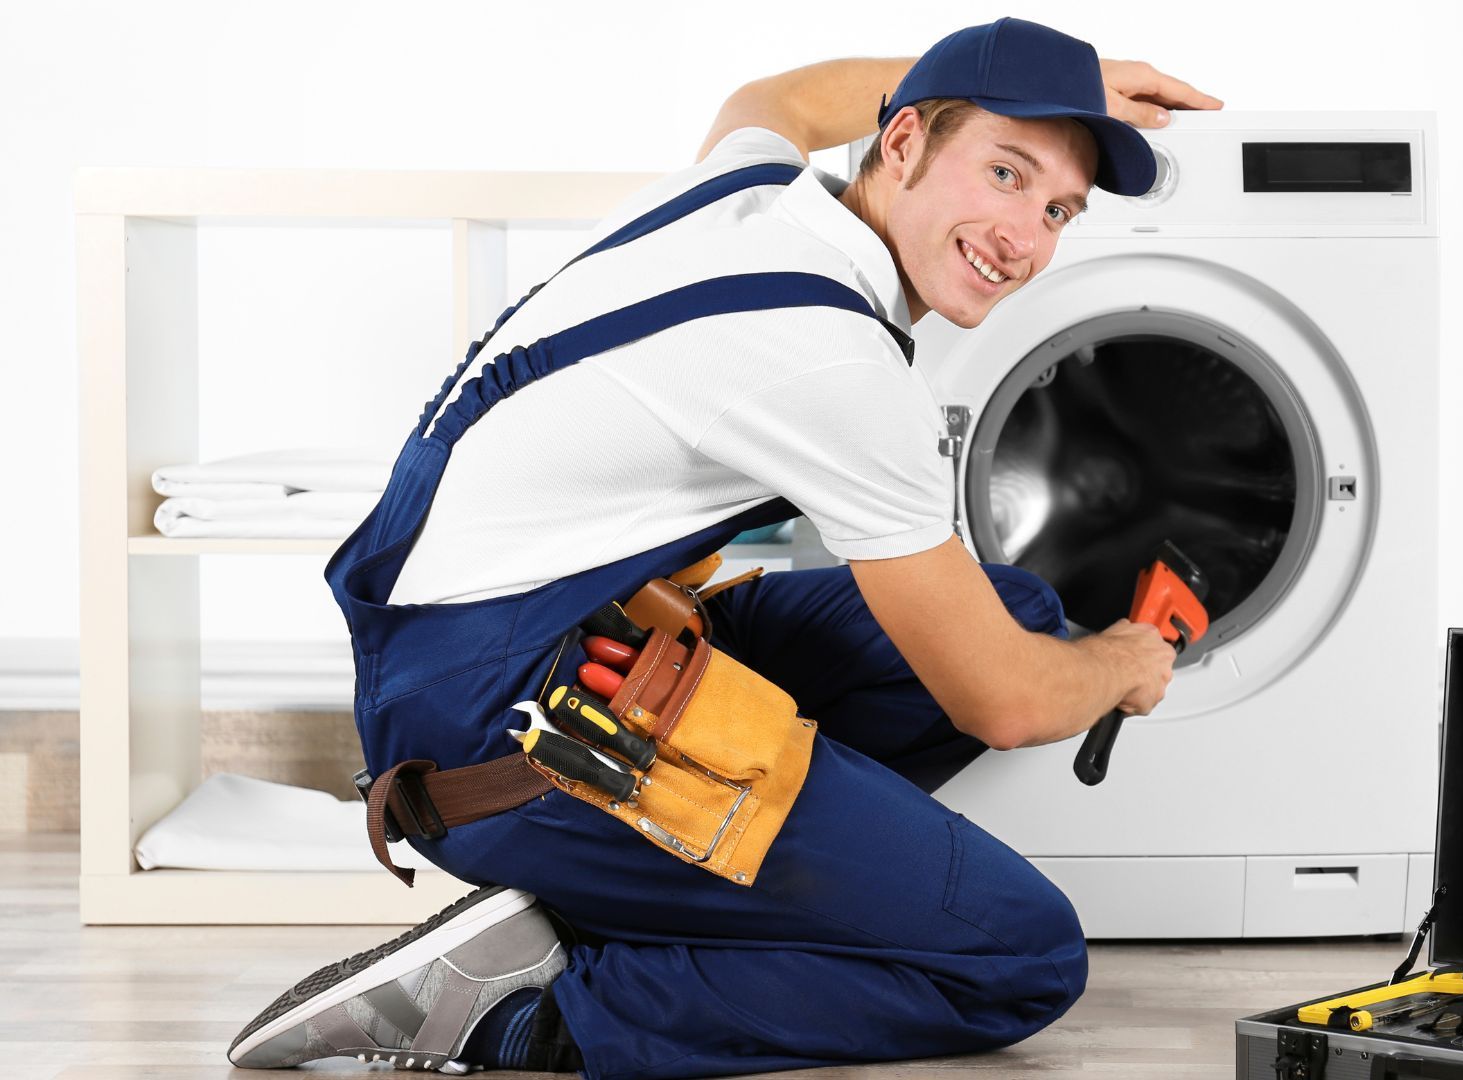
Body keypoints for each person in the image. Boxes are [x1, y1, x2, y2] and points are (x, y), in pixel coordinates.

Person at [227, 17, 1222, 1079]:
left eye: (1058, 209)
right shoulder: (836, 364)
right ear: (902, 143)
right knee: (1019, 956)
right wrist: (1124, 660)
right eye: (1005, 171)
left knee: (1016, 613)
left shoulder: (744, 191)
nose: (1023, 236)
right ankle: (520, 1011)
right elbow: (1006, 704)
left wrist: (1043, 85)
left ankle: (671, 885)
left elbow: (777, 98)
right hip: (504, 732)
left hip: (501, 657)